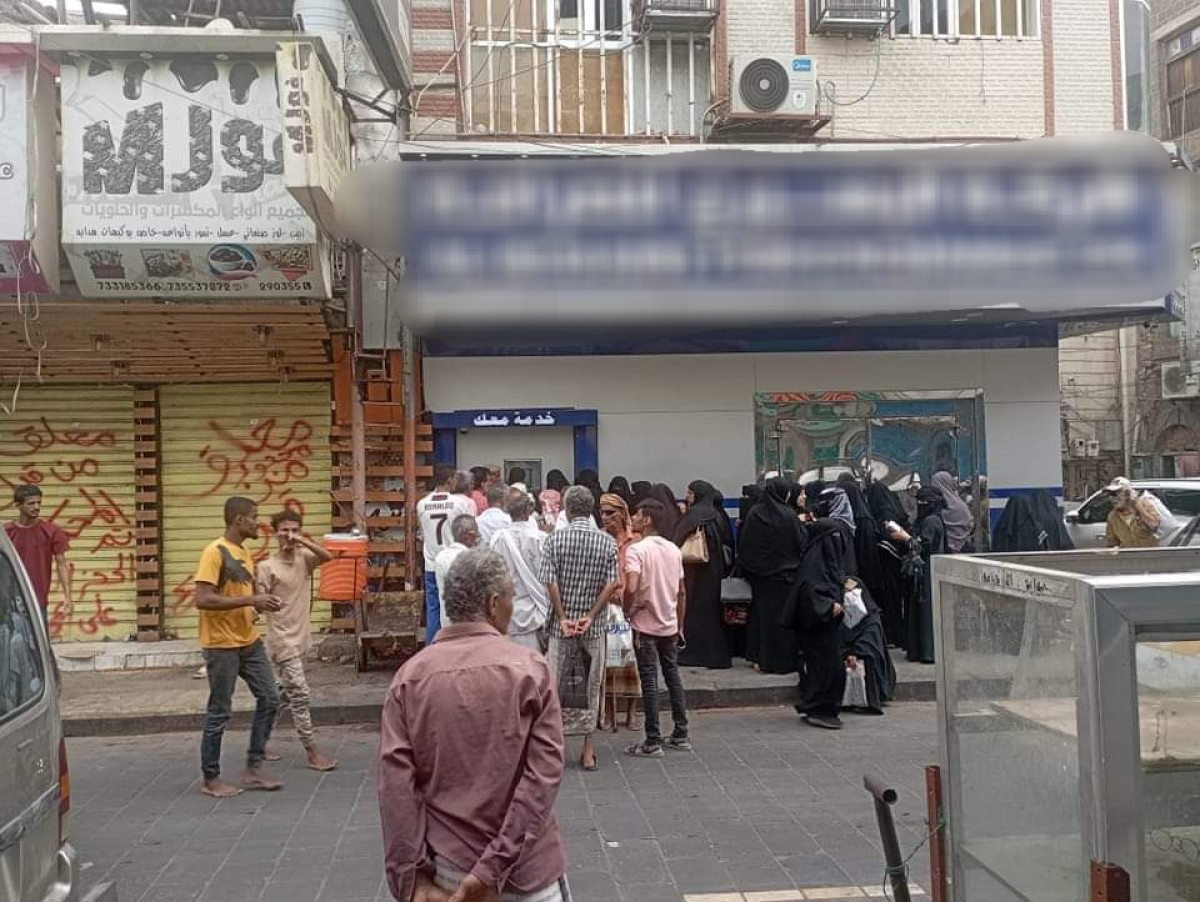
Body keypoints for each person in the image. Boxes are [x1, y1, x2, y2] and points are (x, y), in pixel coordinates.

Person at [380, 547, 570, 902]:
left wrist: (411, 882)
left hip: (450, 873)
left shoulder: (409, 680)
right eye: (512, 596)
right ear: (493, 603)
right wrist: (491, 870)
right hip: (526, 872)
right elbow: (541, 781)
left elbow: (398, 793)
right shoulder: (530, 670)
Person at [193, 496, 283, 798]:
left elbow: (243, 594)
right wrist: (250, 600)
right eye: (254, 517)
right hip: (221, 646)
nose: (259, 523)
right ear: (238, 520)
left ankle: (253, 767)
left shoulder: (243, 550)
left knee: (271, 697)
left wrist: (261, 603)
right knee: (220, 711)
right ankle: (211, 778)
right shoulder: (214, 552)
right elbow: (202, 599)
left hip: (248, 640)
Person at [539, 485, 620, 772]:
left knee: (554, 687)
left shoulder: (554, 540)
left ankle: (554, 748)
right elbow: (612, 583)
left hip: (562, 628)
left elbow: (549, 580)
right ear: (591, 510)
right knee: (592, 686)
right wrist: (590, 614)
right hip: (594, 627)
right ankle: (588, 750)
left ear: (568, 510)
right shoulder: (607, 543)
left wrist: (562, 616)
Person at [256, 509, 338, 772]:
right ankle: (312, 752)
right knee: (300, 694)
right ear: (275, 533)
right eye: (284, 530)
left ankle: (260, 740)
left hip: (300, 638)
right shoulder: (266, 567)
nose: (289, 535)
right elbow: (258, 602)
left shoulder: (304, 558)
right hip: (281, 640)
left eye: (294, 529)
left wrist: (302, 540)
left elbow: (328, 556)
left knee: (281, 694)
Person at [624, 498, 690, 759]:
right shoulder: (674, 550)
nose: (634, 518)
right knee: (673, 676)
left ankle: (652, 739)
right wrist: (680, 624)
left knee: (649, 681)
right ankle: (681, 733)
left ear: (647, 520)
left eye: (638, 515)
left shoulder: (637, 551)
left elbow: (630, 587)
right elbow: (682, 592)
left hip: (645, 624)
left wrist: (630, 609)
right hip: (670, 625)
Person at [790, 509, 856, 730]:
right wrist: (829, 607)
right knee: (827, 669)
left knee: (828, 668)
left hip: (826, 629)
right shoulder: (814, 562)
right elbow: (809, 591)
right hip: (818, 626)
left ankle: (817, 705)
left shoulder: (824, 560)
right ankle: (820, 708)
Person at [737, 477, 805, 675]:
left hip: (762, 578)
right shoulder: (789, 516)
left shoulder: (755, 514)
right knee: (783, 621)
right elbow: (801, 542)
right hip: (786, 577)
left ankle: (761, 657)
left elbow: (746, 547)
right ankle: (783, 661)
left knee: (762, 619)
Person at [675, 480, 735, 670]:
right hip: (713, 573)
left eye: (690, 493)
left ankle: (693, 653)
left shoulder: (693, 516)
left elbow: (676, 540)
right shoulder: (716, 515)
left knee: (693, 611)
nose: (687, 497)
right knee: (711, 613)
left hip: (693, 571)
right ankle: (713, 654)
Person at [885, 486, 945, 664]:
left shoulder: (932, 521)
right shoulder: (929, 519)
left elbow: (923, 546)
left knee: (926, 613)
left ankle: (926, 651)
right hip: (924, 573)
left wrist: (905, 537)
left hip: (927, 573)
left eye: (922, 503)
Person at [598, 493, 642, 734]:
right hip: (607, 607)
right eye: (602, 513)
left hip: (631, 608)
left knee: (631, 661)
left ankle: (632, 711)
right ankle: (610, 711)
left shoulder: (635, 541)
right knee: (608, 661)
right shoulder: (601, 540)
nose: (605, 518)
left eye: (610, 513)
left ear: (622, 514)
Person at [417, 468, 476, 645]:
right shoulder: (459, 503)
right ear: (450, 481)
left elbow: (421, 533)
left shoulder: (421, 504)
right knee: (459, 607)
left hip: (432, 563)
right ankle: (458, 645)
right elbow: (470, 529)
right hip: (456, 561)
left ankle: (432, 648)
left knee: (433, 609)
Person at [490, 491, 550, 652]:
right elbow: (548, 576)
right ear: (527, 511)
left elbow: (494, 576)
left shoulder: (498, 539)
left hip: (507, 610)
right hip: (536, 609)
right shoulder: (540, 538)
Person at [5, 484, 72, 626]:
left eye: (38, 502)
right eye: (31, 503)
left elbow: (62, 563)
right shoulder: (5, 533)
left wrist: (67, 596)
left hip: (37, 598)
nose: (36, 507)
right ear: (17, 505)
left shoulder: (51, 531)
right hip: (8, 599)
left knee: (37, 644)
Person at [839, 577, 897, 716]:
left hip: (862, 656)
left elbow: (872, 640)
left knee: (868, 654)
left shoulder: (871, 619)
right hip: (842, 654)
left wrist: (856, 653)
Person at [866, 481, 911, 648]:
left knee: (890, 601)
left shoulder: (884, 512)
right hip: (893, 564)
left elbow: (889, 537)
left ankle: (894, 634)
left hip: (888, 564)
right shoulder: (891, 508)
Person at [434, 514, 481, 631]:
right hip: (469, 626)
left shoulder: (440, 557)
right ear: (467, 536)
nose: (479, 536)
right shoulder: (471, 558)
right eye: (475, 532)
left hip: (447, 623)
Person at [1104, 477, 1166, 548]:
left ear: (1128, 494)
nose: (1112, 498)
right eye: (1110, 494)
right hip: (1130, 557)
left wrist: (1137, 506)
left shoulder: (1144, 504)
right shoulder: (1112, 517)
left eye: (1116, 493)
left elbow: (1154, 525)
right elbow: (1112, 543)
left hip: (1150, 555)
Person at [931, 471, 975, 553]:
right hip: (963, 548)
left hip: (941, 551)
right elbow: (970, 523)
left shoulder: (934, 506)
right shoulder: (961, 505)